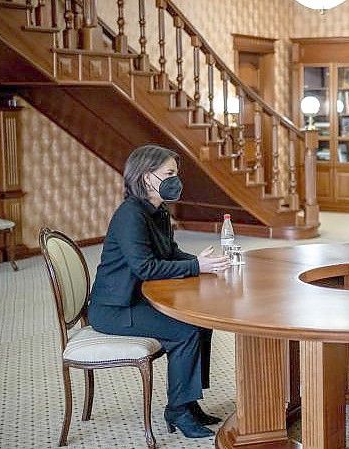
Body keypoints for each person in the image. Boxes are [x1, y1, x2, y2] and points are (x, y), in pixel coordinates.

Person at [88, 144, 231, 439]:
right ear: (145, 177)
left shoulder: (157, 211)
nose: (175, 180)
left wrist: (200, 262)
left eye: (175, 174)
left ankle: (189, 403)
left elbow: (169, 251)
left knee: (200, 321)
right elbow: (146, 268)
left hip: (135, 299)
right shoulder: (131, 215)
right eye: (168, 174)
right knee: (185, 330)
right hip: (114, 309)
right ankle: (177, 410)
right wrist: (196, 268)